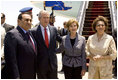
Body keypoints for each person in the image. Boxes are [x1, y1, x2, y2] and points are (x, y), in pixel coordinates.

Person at [1, 13, 37, 79]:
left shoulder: (29, 33)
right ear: (18, 21)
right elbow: (11, 59)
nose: (29, 22)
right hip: (20, 74)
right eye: (26, 20)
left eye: (30, 20)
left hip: (30, 73)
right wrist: (16, 76)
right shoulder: (12, 34)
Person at [31, 10, 62, 79]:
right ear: (39, 19)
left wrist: (59, 50)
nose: (46, 20)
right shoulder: (33, 31)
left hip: (53, 64)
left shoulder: (53, 29)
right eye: (44, 18)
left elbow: (61, 40)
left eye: (48, 17)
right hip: (40, 64)